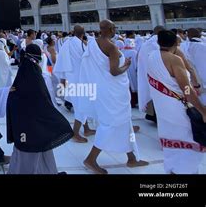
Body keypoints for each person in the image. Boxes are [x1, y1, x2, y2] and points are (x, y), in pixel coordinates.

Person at [80, 20, 148, 174]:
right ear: (110, 29)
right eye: (114, 28)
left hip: (105, 90)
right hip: (113, 93)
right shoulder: (111, 46)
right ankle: (91, 159)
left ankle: (132, 158)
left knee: (125, 123)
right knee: (110, 124)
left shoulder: (93, 43)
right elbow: (114, 71)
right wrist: (127, 65)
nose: (115, 30)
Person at [7, 44, 73, 174]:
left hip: (22, 124)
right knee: (31, 152)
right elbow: (43, 101)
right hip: (32, 126)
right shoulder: (35, 75)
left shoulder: (23, 72)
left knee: (33, 150)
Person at [147, 30, 206, 174]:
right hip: (179, 109)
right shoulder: (174, 60)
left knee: (172, 143)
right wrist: (202, 110)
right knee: (189, 141)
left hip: (163, 107)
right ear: (175, 42)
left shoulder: (152, 56)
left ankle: (173, 170)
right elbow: (186, 89)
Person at [53, 25, 95, 142]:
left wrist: (63, 78)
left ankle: (86, 128)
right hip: (81, 79)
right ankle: (75, 133)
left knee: (81, 104)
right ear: (83, 33)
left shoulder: (68, 43)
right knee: (82, 105)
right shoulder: (83, 45)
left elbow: (61, 60)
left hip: (72, 77)